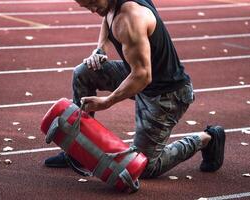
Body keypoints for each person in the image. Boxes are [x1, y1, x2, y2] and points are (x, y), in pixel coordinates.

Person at [45, 0, 226, 178]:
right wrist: (100, 49)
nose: (92, 10)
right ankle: (78, 150)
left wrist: (108, 101)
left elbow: (142, 76)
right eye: (86, 6)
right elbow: (107, 17)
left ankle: (207, 138)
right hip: (140, 76)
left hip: (166, 94)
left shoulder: (130, 18)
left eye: (93, 2)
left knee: (144, 167)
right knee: (83, 73)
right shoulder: (110, 5)